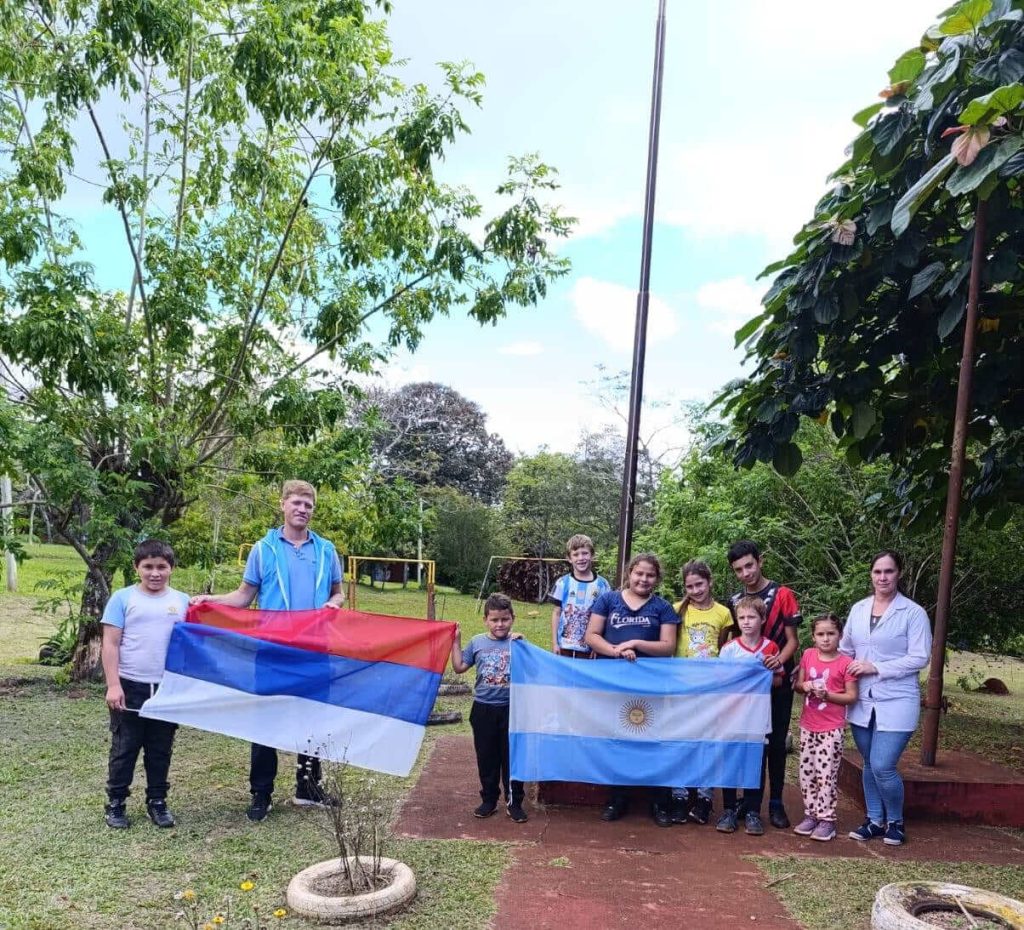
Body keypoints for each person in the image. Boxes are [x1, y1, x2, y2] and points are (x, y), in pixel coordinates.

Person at [190, 479, 344, 822]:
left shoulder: (326, 550)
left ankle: (308, 788)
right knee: (265, 722)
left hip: (313, 650)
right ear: (283, 504)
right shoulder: (263, 549)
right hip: (272, 650)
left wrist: (335, 603)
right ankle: (261, 792)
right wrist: (211, 600)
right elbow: (244, 596)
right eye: (296, 503)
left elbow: (338, 591)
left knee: (312, 720)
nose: (302, 509)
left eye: (308, 505)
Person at [841, 550, 932, 847]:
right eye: (877, 572)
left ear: (898, 573)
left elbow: (920, 657)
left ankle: (896, 821)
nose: (883, 577)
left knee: (883, 764)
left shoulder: (913, 613)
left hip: (897, 698)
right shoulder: (858, 609)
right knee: (869, 762)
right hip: (862, 699)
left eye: (888, 571)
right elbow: (845, 649)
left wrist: (876, 667)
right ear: (871, 575)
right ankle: (874, 820)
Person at [585, 553, 680, 826]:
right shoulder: (608, 600)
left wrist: (636, 644)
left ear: (657, 579)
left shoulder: (663, 607)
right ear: (629, 573)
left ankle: (660, 802)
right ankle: (617, 799)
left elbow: (668, 647)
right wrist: (615, 651)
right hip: (614, 684)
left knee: (654, 741)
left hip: (651, 687)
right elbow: (591, 636)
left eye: (650, 575)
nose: (644, 579)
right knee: (618, 740)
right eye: (639, 573)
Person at [101, 540, 190, 830]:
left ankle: (157, 801)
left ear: (171, 568)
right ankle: (116, 803)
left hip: (166, 688)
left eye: (161, 567)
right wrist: (113, 685)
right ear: (136, 567)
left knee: (160, 749)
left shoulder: (182, 601)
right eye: (148, 566)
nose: (155, 573)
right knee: (125, 748)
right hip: (130, 686)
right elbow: (110, 643)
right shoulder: (123, 598)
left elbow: (194, 642)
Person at [727, 540, 802, 828]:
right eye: (738, 570)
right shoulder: (736, 600)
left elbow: (793, 640)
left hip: (777, 680)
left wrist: (777, 661)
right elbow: (734, 640)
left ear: (760, 561)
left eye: (749, 565)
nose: (746, 573)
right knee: (750, 741)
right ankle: (748, 803)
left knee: (777, 742)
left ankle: (776, 803)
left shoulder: (782, 594)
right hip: (747, 689)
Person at [450, 593, 528, 823]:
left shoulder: (518, 643)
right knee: (487, 757)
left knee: (511, 758)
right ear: (485, 620)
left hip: (512, 709)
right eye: (494, 620)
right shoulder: (477, 642)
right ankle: (489, 800)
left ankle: (514, 802)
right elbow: (459, 667)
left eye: (505, 619)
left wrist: (523, 644)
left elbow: (533, 668)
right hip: (483, 709)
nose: (500, 624)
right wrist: (455, 642)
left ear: (513, 618)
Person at [671, 559, 733, 824]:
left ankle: (705, 797)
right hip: (681, 685)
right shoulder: (677, 610)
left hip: (710, 688)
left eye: (700, 584)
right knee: (680, 739)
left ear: (709, 582)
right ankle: (679, 795)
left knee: (708, 740)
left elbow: (723, 647)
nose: (695, 590)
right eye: (690, 586)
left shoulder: (723, 613)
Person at [716, 596, 783, 835]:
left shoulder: (771, 648)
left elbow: (778, 681)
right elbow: (720, 680)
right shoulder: (729, 649)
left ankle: (753, 810)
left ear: (762, 619)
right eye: (742, 617)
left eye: (751, 617)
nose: (746, 622)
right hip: (732, 715)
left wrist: (769, 671)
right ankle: (728, 810)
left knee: (756, 761)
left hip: (758, 715)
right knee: (731, 760)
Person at [792, 613, 857, 842]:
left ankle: (827, 819)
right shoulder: (808, 655)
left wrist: (827, 695)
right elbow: (798, 685)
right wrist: (806, 686)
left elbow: (851, 696)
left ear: (840, 635)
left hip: (831, 728)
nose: (826, 638)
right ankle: (811, 814)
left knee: (826, 774)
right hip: (808, 725)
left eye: (831, 633)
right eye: (820, 634)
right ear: (813, 636)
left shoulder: (846, 663)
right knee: (806, 772)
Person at [548, 533, 611, 658]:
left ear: (592, 555)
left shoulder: (603, 585)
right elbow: (557, 613)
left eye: (585, 553)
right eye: (576, 554)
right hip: (564, 647)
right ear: (569, 558)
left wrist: (599, 645)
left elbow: (606, 617)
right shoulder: (562, 583)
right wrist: (555, 643)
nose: (581, 558)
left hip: (589, 650)